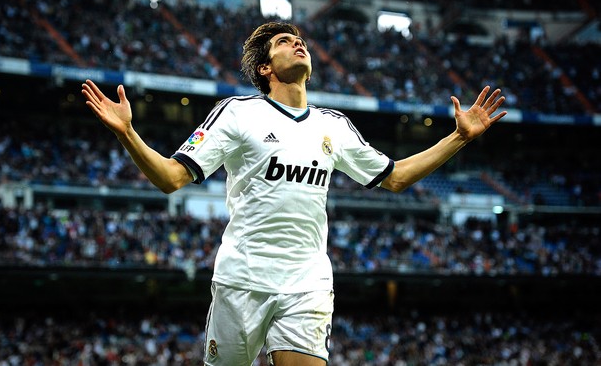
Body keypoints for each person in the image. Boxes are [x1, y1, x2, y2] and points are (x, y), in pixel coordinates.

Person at [81, 21, 506, 366]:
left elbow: (393, 177)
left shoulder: (332, 125)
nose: (298, 44)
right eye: (285, 42)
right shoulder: (238, 113)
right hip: (243, 278)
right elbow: (171, 177)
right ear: (265, 68)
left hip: (307, 281)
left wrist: (458, 138)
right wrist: (128, 134)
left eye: (300, 40)